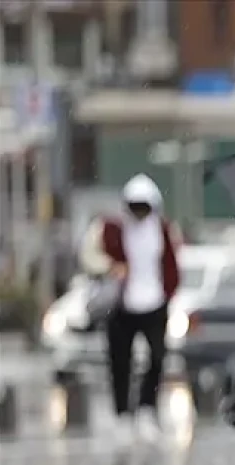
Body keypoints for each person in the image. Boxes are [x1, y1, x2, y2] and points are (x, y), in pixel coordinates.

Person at [79, 174, 182, 444]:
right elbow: (88, 255)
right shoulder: (110, 228)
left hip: (154, 304)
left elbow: (172, 265)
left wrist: (169, 293)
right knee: (120, 361)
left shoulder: (163, 230)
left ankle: (147, 409)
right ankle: (122, 413)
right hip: (121, 306)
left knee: (158, 358)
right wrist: (111, 267)